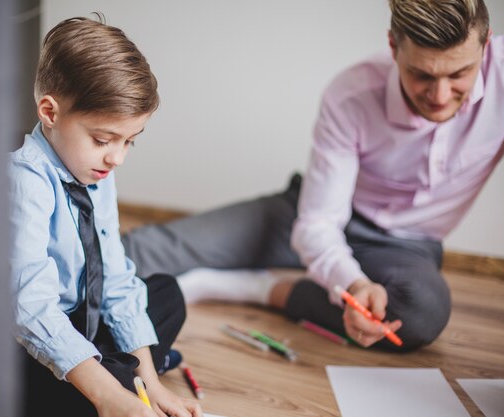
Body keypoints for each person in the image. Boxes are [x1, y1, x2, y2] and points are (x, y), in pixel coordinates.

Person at [122, 0, 504, 352]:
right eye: (421, 74)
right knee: (137, 253)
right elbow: (318, 221)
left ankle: (262, 288)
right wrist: (354, 285)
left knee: (421, 312)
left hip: (405, 248)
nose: (439, 95)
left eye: (460, 73)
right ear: (393, 47)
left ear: (486, 44)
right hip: (308, 215)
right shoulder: (351, 93)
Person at [8, 16, 202, 417]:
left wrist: (151, 382)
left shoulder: (96, 171)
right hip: (28, 335)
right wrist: (109, 394)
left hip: (82, 317)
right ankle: (109, 386)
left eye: (130, 141)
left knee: (166, 294)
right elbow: (30, 308)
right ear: (49, 111)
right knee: (92, 383)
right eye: (102, 139)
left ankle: (126, 377)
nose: (117, 157)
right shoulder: (23, 182)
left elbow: (114, 276)